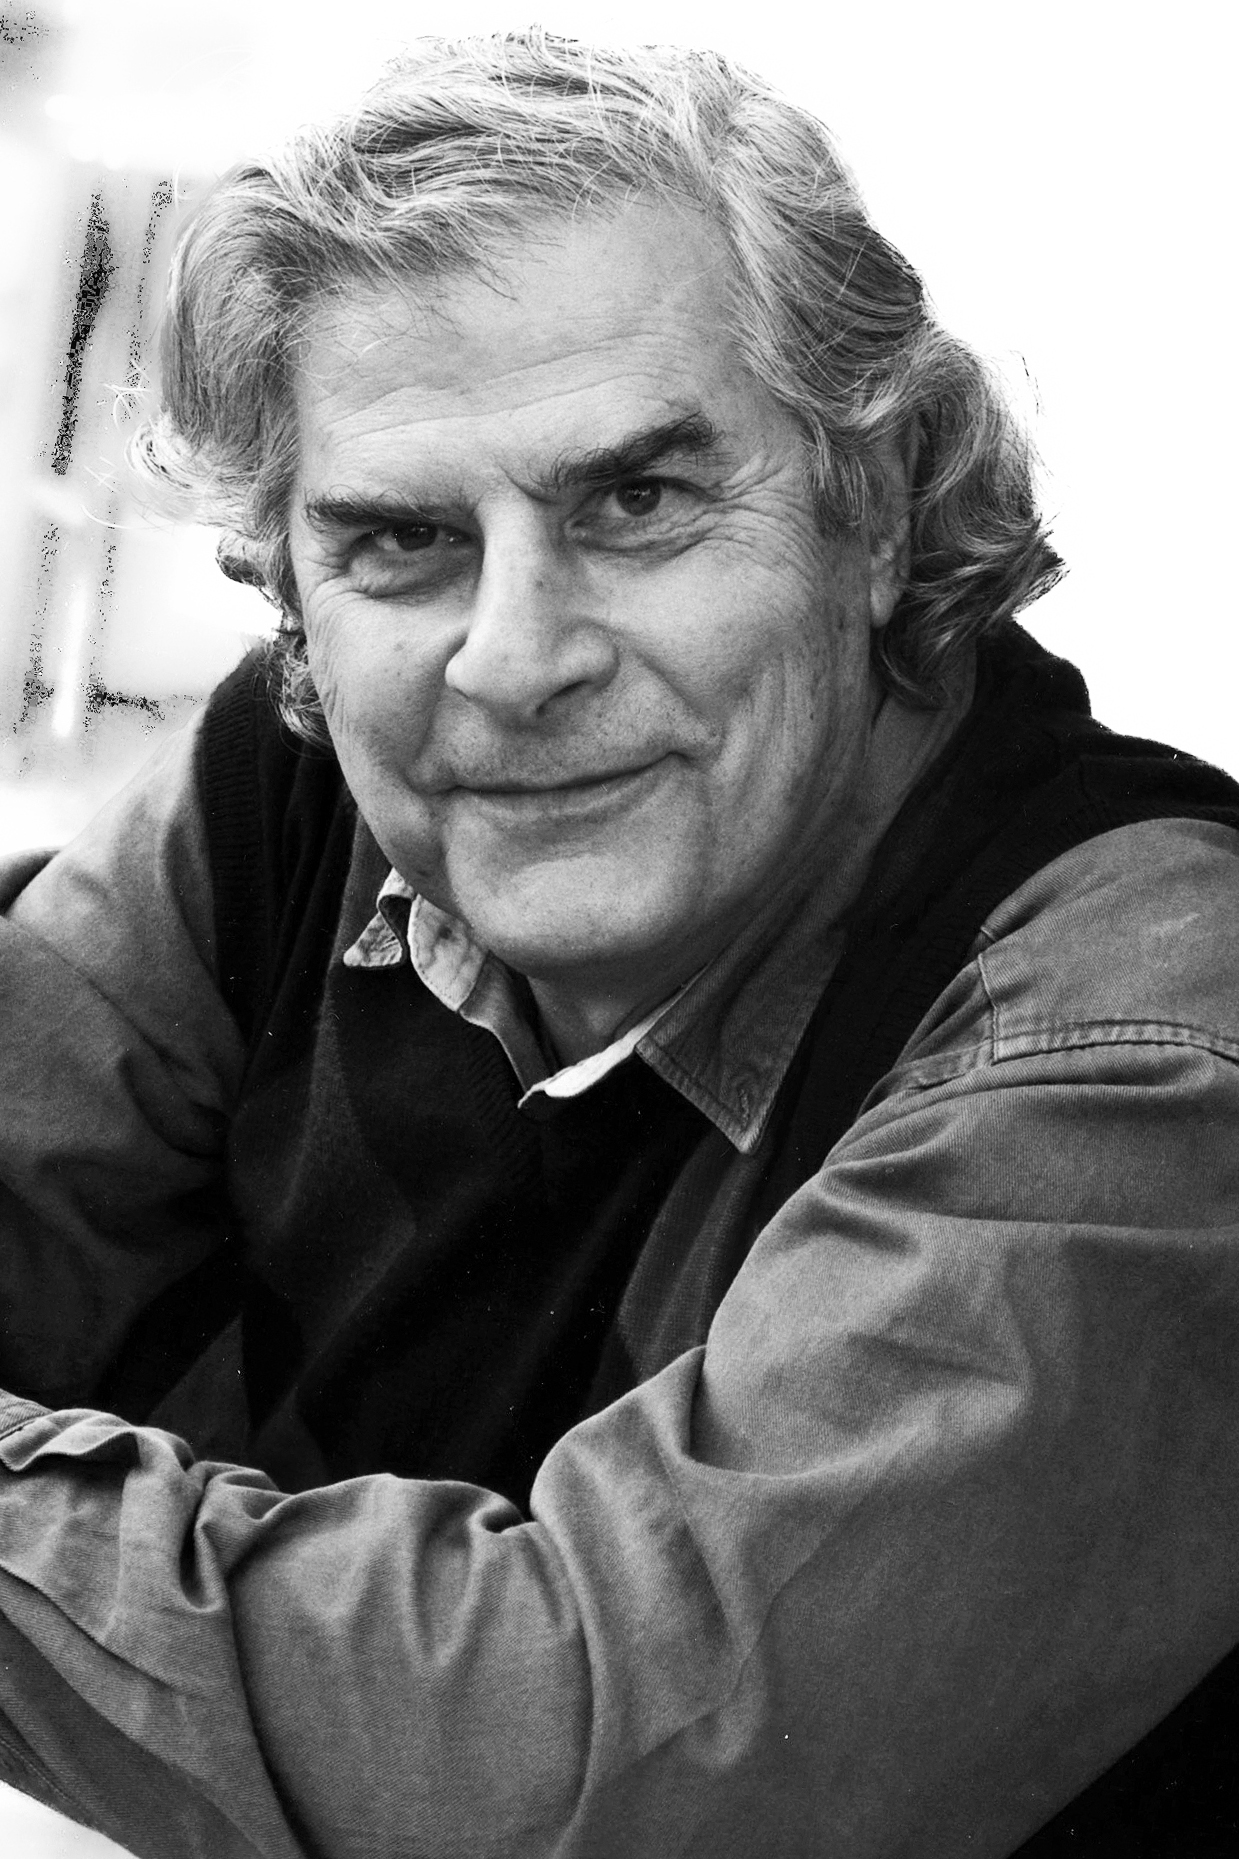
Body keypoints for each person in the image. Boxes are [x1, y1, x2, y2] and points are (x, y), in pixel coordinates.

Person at [0, 28, 1237, 1859]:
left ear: (878, 508)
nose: (514, 658)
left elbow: (572, 1760)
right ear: (292, 597)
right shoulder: (290, 794)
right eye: (401, 541)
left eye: (636, 504)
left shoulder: (1147, 1032)